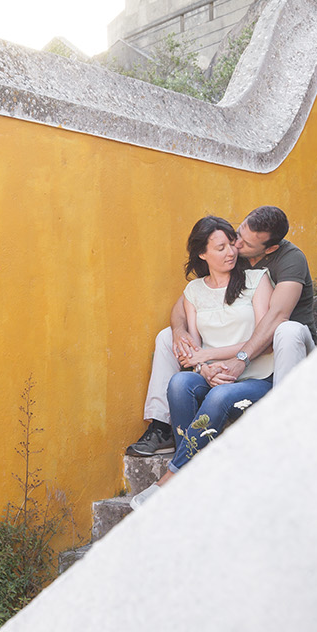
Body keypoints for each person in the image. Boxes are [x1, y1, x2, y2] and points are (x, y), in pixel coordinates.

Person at [126, 205, 315, 457]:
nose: (235, 246)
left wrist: (235, 360)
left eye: (243, 243)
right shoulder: (225, 261)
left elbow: (275, 318)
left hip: (289, 345)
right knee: (166, 337)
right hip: (234, 347)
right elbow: (185, 305)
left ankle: (284, 421)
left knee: (286, 331)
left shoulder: (288, 260)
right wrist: (182, 334)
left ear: (269, 249)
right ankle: (162, 426)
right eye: (236, 235)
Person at [127, 217, 275, 511]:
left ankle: (170, 479)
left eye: (231, 244)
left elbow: (265, 339)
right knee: (180, 382)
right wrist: (202, 368)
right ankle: (192, 472)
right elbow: (194, 346)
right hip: (214, 375)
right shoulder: (193, 292)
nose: (230, 252)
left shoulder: (258, 281)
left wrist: (209, 358)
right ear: (202, 255)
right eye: (220, 248)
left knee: (219, 396)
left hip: (257, 375)